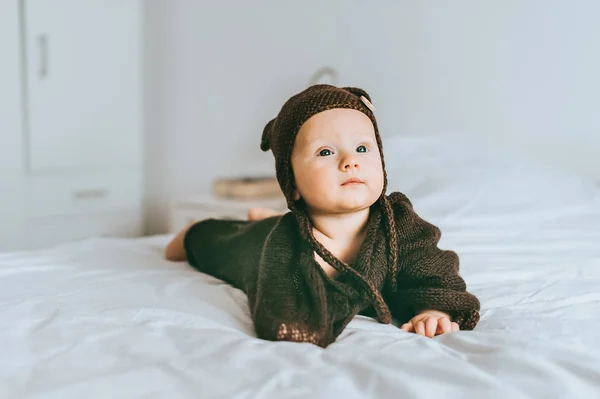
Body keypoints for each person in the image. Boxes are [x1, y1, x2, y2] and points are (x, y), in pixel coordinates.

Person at [165, 84, 480, 348]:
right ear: (294, 184)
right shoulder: (284, 245)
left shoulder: (398, 224)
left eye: (362, 148)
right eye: (326, 152)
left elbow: (434, 271)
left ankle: (264, 214)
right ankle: (211, 226)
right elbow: (283, 315)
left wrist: (431, 309)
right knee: (218, 240)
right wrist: (195, 235)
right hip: (259, 238)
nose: (349, 162)